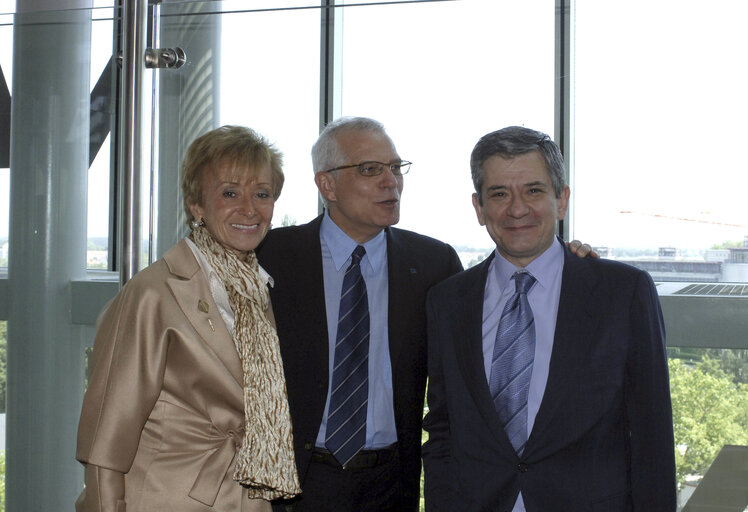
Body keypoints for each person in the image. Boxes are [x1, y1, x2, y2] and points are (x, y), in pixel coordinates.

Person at [422, 126, 677, 511]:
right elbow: (443, 426)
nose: (517, 208)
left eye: (534, 190)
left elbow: (651, 433)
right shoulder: (447, 301)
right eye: (499, 194)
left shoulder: (623, 293)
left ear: (562, 200)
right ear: (479, 207)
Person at [76, 126, 301, 512]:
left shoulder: (255, 290)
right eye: (230, 193)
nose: (249, 208)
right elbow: (105, 439)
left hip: (246, 498)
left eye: (262, 194)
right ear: (196, 205)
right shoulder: (154, 292)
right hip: (165, 498)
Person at [256, 116, 464, 511]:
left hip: (390, 483)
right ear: (327, 184)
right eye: (370, 170)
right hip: (292, 484)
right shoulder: (271, 257)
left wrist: (571, 262)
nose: (391, 182)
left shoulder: (434, 263)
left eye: (395, 167)